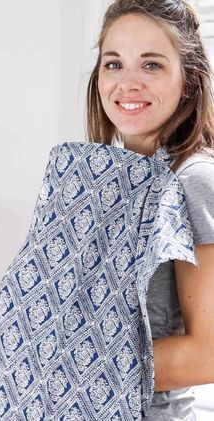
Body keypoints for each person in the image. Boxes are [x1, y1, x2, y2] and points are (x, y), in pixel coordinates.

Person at [86, 0, 214, 419]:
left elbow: (207, 353)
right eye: (113, 64)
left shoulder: (194, 179)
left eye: (152, 65)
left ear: (190, 80)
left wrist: (68, 365)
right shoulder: (108, 178)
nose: (127, 84)